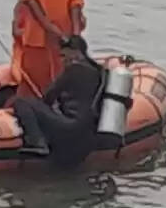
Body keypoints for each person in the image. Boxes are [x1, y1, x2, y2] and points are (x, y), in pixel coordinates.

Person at [12, 35, 104, 167]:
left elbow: (49, 96)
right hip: (87, 131)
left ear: (76, 52)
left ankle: (36, 142)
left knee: (22, 102)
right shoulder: (98, 72)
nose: (62, 60)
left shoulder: (73, 70)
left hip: (69, 126)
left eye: (63, 56)